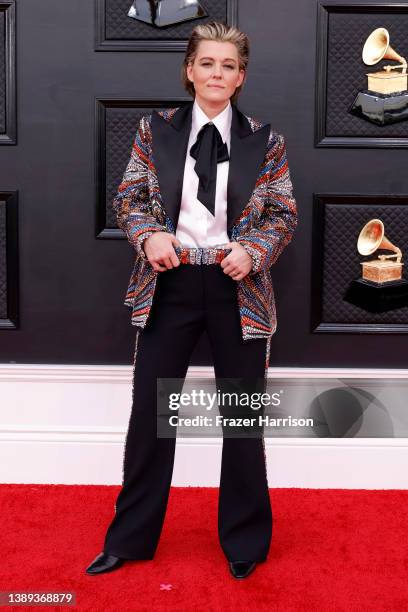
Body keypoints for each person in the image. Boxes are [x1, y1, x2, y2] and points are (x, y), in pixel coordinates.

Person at [86, 20, 297, 580]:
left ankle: (245, 543)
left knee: (243, 419)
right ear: (190, 70)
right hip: (169, 285)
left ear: (241, 76)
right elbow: (130, 197)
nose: (217, 73)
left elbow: (282, 213)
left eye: (229, 66)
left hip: (238, 289)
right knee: (151, 420)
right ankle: (129, 540)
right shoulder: (153, 132)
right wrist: (148, 234)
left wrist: (253, 251)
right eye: (208, 63)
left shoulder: (266, 140)